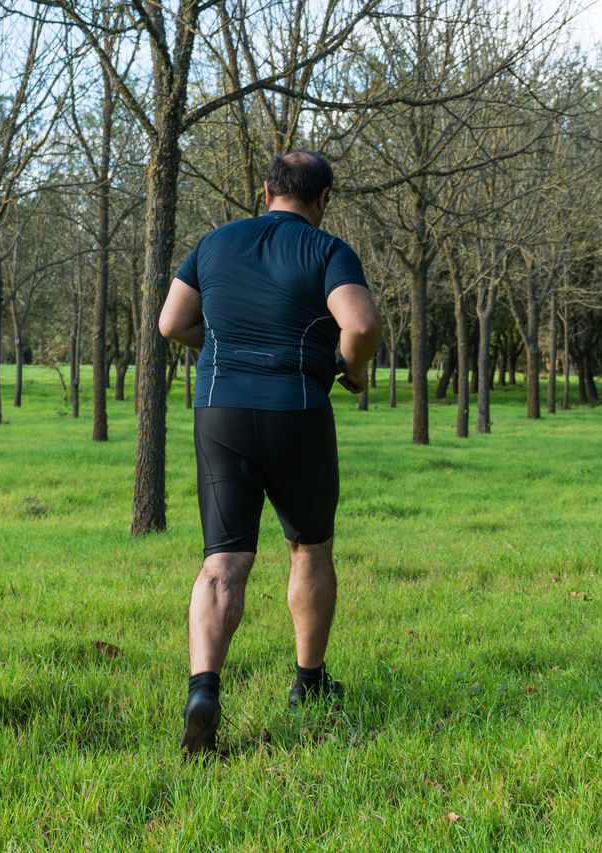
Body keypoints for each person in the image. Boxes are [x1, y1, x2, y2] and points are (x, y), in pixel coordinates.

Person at [158, 151, 383, 755]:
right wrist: (351, 372)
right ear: (325, 196)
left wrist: (224, 348)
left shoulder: (213, 243)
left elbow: (171, 323)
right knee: (309, 547)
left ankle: (203, 688)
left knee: (222, 560)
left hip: (220, 412)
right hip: (298, 412)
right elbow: (359, 325)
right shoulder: (328, 251)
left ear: (265, 191)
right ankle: (308, 684)